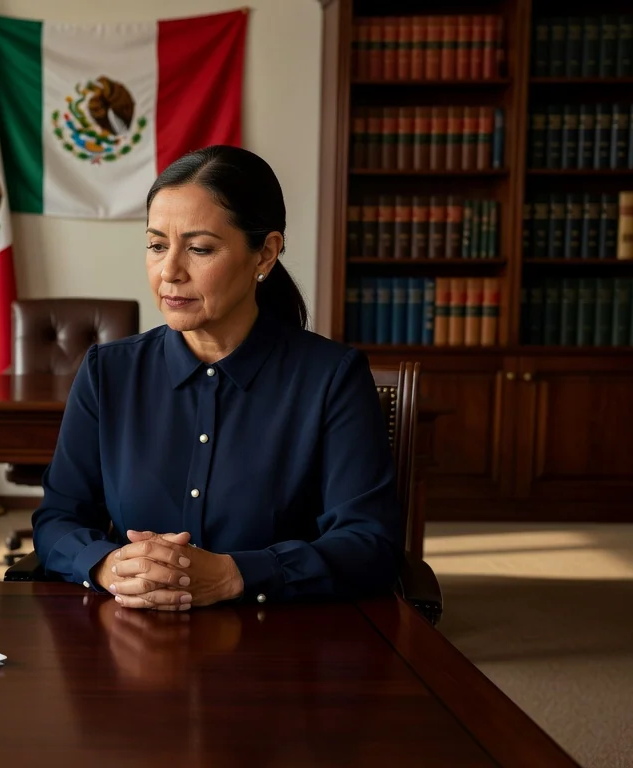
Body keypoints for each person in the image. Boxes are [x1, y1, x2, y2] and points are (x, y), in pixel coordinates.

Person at [31, 145, 401, 609]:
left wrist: (236, 574)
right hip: (130, 639)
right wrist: (108, 565)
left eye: (200, 248)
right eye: (156, 245)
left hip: (280, 640)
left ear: (265, 253)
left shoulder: (332, 378)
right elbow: (58, 519)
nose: (170, 271)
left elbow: (370, 541)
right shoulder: (109, 372)